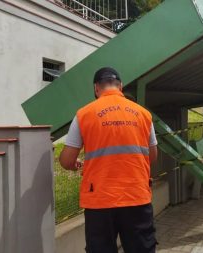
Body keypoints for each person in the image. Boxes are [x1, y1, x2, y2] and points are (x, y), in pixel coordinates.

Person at [59, 67, 158, 253]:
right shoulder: (144, 114)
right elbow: (152, 156)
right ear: (120, 86)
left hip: (99, 200)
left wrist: (75, 165)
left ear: (96, 88)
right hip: (136, 195)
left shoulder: (84, 114)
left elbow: (66, 160)